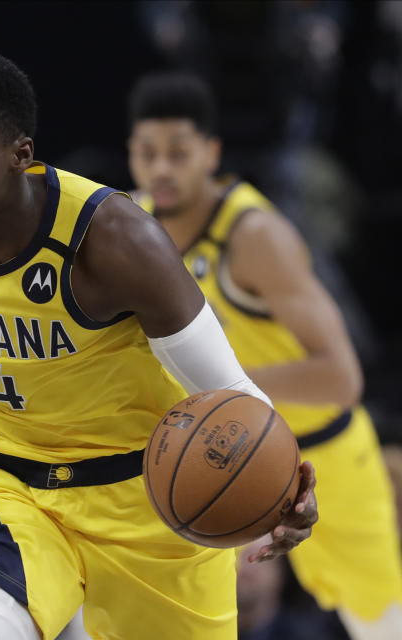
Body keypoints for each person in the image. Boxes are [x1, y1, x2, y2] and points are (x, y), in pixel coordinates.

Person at [0, 46, 318, 640]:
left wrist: (287, 487)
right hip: (13, 492)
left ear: (20, 156)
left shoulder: (117, 243)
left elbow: (230, 391)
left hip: (150, 498)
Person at [126, 71, 402, 639]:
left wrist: (223, 386)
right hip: (214, 458)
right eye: (148, 153)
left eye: (179, 153)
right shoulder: (130, 227)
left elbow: (341, 378)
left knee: (380, 622)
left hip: (321, 457)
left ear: (212, 153)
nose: (162, 170)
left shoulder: (255, 237)